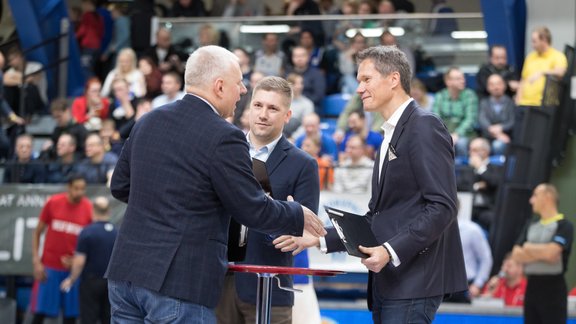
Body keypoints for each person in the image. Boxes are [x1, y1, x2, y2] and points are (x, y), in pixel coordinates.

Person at [105, 45, 326, 323]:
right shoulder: (225, 136)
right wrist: (297, 214)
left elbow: (120, 186)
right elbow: (250, 207)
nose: (243, 91)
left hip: (126, 272)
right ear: (219, 86)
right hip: (179, 282)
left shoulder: (148, 121)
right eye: (239, 83)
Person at [275, 46, 467, 324]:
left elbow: (443, 206)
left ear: (393, 79)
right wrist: (317, 239)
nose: (358, 89)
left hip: (413, 281)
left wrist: (390, 251)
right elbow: (377, 219)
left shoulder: (424, 126)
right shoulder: (389, 134)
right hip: (391, 282)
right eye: (358, 80)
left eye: (366, 79)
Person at [216, 76, 320, 324]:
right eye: (258, 105)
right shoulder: (222, 149)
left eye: (273, 108)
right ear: (249, 108)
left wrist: (301, 235)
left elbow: (307, 226)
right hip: (216, 284)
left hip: (270, 288)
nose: (263, 114)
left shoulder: (303, 164)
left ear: (287, 115)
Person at [30, 174, 93, 324]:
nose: (80, 192)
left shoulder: (88, 208)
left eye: (83, 189)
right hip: (49, 269)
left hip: (72, 273)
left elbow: (90, 243)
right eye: (76, 188)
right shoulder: (53, 202)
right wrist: (37, 261)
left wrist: (76, 261)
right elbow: (37, 232)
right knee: (39, 314)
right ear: (69, 187)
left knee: (70, 317)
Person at [512, 183, 573, 324]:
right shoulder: (531, 225)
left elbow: (551, 254)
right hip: (532, 286)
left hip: (553, 289)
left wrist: (527, 248)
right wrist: (542, 251)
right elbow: (516, 254)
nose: (531, 200)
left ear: (548, 197)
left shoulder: (565, 226)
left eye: (535, 195)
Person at [60, 196, 117, 324]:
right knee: (108, 318)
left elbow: (79, 262)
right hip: (112, 283)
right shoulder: (117, 232)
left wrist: (71, 279)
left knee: (88, 318)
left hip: (91, 282)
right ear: (109, 211)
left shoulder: (87, 232)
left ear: (93, 211)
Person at [432, 67, 479, 157]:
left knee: (461, 143)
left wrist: (457, 134)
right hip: (444, 134)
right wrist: (446, 135)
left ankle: (463, 170)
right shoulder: (440, 96)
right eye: (458, 78)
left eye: (463, 78)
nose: (463, 80)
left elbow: (470, 119)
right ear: (448, 82)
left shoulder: (470, 95)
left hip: (466, 135)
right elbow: (436, 119)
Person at [516, 26, 568, 107]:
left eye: (534, 41)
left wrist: (542, 72)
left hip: (543, 105)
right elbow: (523, 80)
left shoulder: (558, 56)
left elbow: (560, 72)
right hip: (524, 104)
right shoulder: (530, 57)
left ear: (544, 40)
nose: (532, 44)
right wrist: (518, 101)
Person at [478, 74, 515, 155]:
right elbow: (482, 120)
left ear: (504, 86)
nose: (496, 87)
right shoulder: (484, 103)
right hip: (487, 137)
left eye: (498, 84)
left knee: (498, 145)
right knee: (478, 146)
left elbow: (512, 121)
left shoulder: (510, 103)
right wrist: (497, 133)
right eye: (492, 84)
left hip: (506, 137)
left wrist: (501, 127)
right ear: (487, 87)